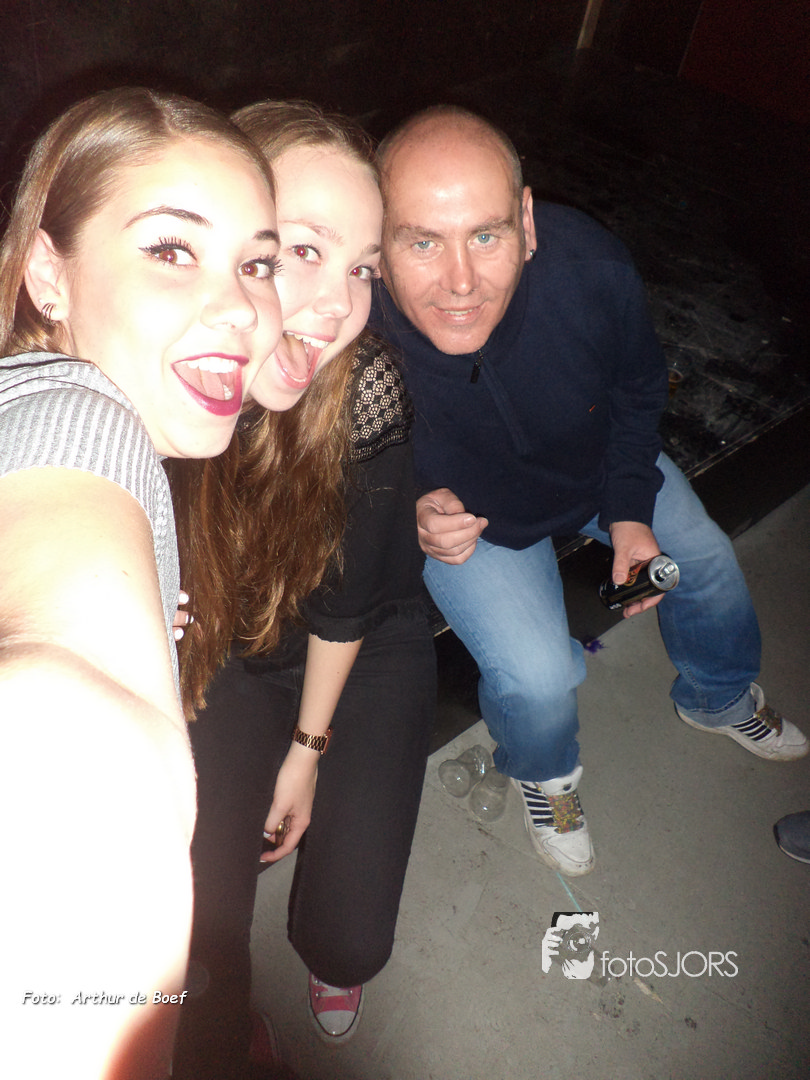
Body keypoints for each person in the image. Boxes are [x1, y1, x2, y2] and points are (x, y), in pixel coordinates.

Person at [370, 104, 808, 878]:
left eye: (486, 235)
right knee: (540, 678)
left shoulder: (590, 266)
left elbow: (639, 388)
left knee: (704, 559)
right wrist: (407, 506)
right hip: (472, 524)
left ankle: (716, 695)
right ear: (376, 245)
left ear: (527, 222)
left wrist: (630, 511)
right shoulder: (350, 328)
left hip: (597, 467)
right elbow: (331, 463)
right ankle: (545, 775)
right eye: (423, 242)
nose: (461, 282)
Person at [0, 87, 283, 1079]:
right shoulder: (87, 418)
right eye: (171, 249)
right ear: (49, 272)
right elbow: (63, 736)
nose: (244, 307)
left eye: (256, 263)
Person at [170, 102, 435, 1078]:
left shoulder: (363, 387)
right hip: (235, 650)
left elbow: (348, 599)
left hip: (361, 638)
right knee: (196, 931)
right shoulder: (161, 378)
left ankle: (330, 955)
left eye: (361, 267)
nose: (337, 305)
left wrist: (306, 753)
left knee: (351, 939)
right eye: (303, 250)